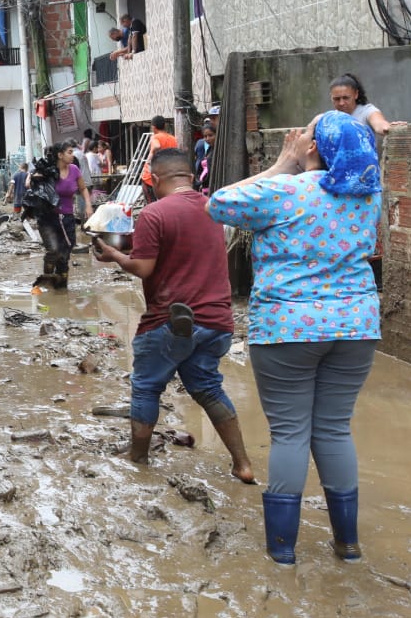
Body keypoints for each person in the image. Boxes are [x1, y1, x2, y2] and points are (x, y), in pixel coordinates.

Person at [208, 111, 382, 565]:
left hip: (288, 327)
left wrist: (281, 164)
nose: (298, 137)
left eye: (304, 133)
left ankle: (283, 553)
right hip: (356, 325)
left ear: (313, 148)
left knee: (289, 435)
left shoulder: (285, 191)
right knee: (334, 428)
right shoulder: (368, 195)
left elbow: (220, 204)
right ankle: (347, 545)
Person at [92, 148, 257, 483]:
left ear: (153, 179)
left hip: (172, 322)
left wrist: (114, 255)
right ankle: (242, 463)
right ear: (191, 176)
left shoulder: (154, 213)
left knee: (146, 387)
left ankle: (138, 458)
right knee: (209, 389)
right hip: (217, 322)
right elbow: (178, 250)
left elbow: (143, 266)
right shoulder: (214, 209)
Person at [30, 140, 91, 289]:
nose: (72, 155)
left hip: (67, 219)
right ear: (60, 155)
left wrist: (88, 206)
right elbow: (29, 184)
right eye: (69, 152)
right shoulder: (47, 169)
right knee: (53, 250)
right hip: (47, 219)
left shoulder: (75, 169)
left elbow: (83, 189)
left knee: (64, 256)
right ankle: (48, 282)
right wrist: (34, 178)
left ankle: (61, 288)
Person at [329, 73, 396, 137]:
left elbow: (379, 123)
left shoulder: (367, 111)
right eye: (337, 99)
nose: (341, 103)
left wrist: (391, 129)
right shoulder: (329, 118)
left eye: (346, 98)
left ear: (356, 94)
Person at [141, 115, 178, 201]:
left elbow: (157, 146)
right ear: (164, 126)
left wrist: (149, 158)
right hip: (165, 177)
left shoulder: (155, 137)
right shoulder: (173, 139)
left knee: (152, 206)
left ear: (153, 127)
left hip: (150, 178)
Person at [194, 122, 216, 193]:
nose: (207, 139)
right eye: (205, 136)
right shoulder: (209, 149)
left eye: (210, 135)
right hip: (205, 188)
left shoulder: (219, 152)